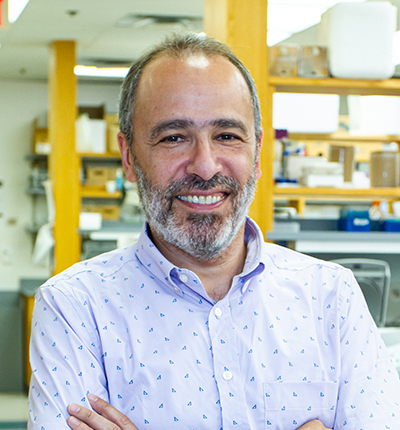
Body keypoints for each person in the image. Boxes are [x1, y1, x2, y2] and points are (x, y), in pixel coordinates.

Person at [28, 32, 400, 430]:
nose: (205, 166)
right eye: (174, 137)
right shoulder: (73, 308)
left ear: (256, 152)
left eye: (226, 136)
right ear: (129, 156)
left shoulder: (332, 297)